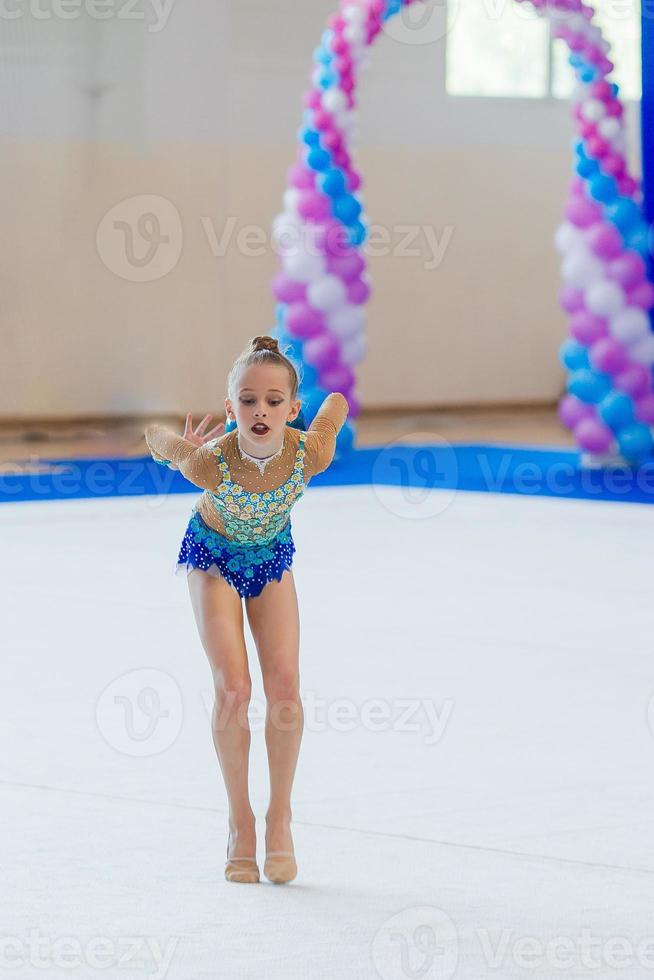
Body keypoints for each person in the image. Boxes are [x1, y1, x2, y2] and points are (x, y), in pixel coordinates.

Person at [144, 335, 349, 884]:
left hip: (270, 557)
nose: (261, 411)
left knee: (284, 683)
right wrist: (178, 445)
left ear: (291, 408)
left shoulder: (311, 453)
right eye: (248, 400)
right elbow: (156, 438)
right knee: (234, 687)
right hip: (212, 556)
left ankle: (279, 817)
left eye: (274, 400)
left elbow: (335, 407)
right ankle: (240, 821)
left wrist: (330, 407)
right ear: (230, 406)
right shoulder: (212, 464)